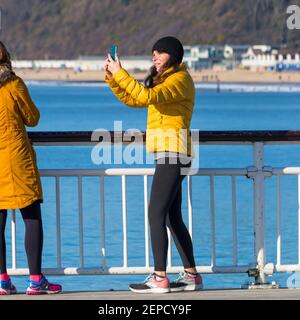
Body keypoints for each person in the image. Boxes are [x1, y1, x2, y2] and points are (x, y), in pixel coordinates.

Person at [0, 38, 62, 295]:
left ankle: (2, 282)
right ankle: (36, 279)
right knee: (31, 216)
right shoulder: (13, 83)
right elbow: (33, 117)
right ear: (3, 56)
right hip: (17, 156)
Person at [105, 36, 203, 293]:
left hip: (174, 152)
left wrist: (121, 72)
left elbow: (145, 94)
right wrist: (114, 79)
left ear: (173, 55)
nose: (155, 56)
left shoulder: (180, 80)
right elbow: (136, 99)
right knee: (171, 216)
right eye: (153, 53)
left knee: (155, 214)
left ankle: (160, 277)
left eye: (160, 52)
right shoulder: (167, 81)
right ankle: (191, 275)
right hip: (171, 152)